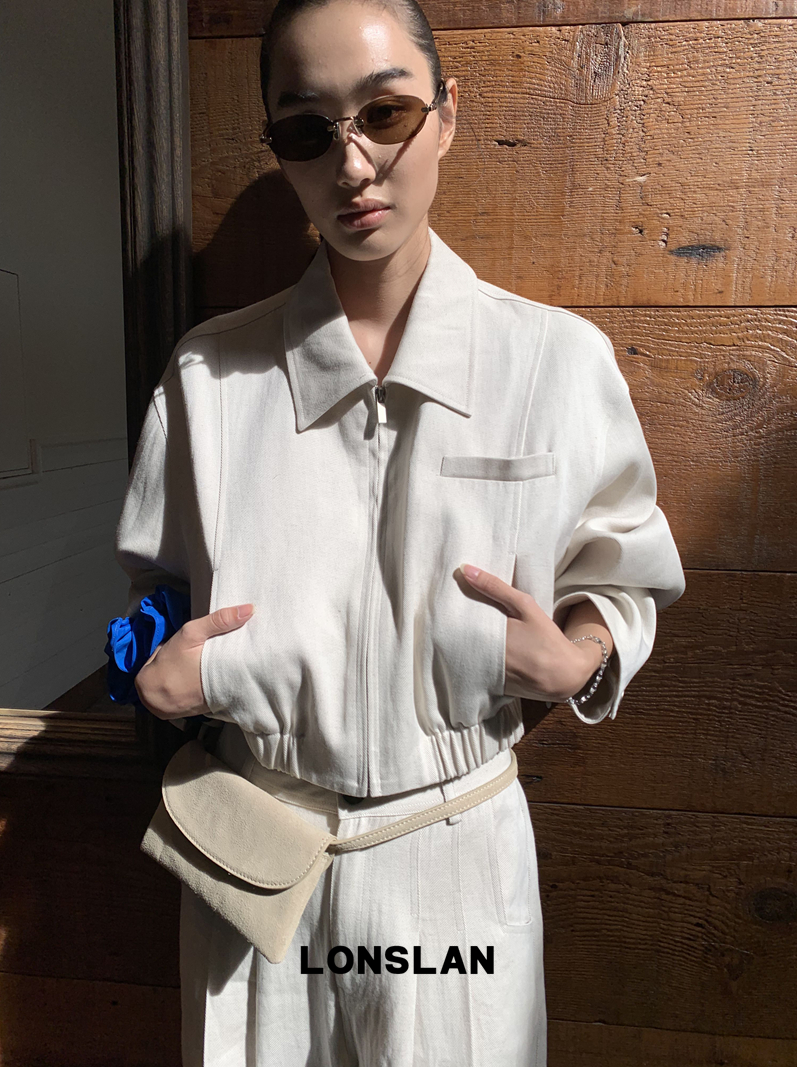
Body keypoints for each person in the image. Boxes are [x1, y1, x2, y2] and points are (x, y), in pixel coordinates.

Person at [111, 0, 687, 1063]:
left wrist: (582, 652)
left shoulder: (551, 363)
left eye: (385, 114)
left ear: (446, 114)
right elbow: (157, 594)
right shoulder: (208, 377)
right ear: (279, 146)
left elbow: (628, 570)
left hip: (454, 862)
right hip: (257, 860)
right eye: (308, 129)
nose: (353, 164)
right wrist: (153, 671)